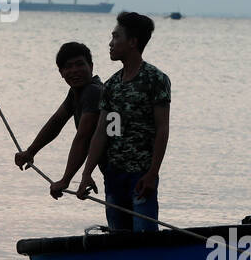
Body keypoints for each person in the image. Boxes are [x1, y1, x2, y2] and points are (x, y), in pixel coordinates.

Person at [77, 12, 171, 232]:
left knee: (144, 240)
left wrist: (152, 174)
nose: (110, 43)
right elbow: (103, 132)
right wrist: (86, 173)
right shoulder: (111, 85)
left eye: (116, 37)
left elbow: (162, 129)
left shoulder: (155, 79)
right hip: (114, 176)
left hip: (141, 177)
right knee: (118, 241)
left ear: (133, 42)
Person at [13, 42, 105, 199]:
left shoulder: (93, 91)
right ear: (61, 72)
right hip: (112, 169)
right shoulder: (76, 92)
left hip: (124, 168)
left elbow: (83, 137)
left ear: (91, 66)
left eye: (79, 64)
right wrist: (31, 151)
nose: (74, 71)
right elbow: (56, 122)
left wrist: (66, 180)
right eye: (68, 67)